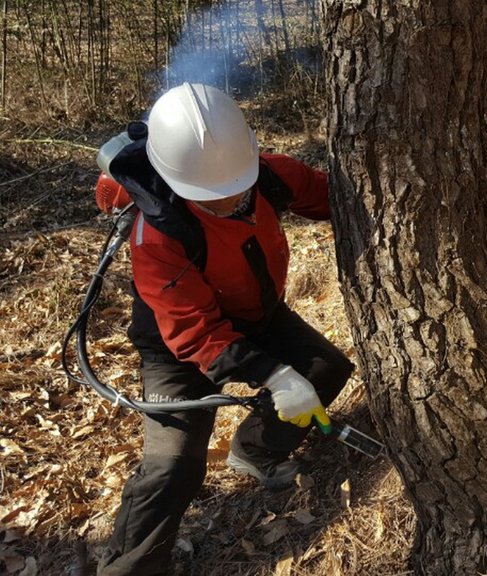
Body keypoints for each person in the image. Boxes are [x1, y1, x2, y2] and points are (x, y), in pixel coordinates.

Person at [92, 82, 354, 576]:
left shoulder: (267, 175)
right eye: (212, 199)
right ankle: (127, 567)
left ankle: (254, 450)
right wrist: (275, 376)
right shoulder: (158, 235)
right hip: (178, 348)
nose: (232, 200)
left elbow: (334, 197)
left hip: (257, 314)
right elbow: (192, 331)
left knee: (326, 369)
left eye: (239, 188)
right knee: (173, 466)